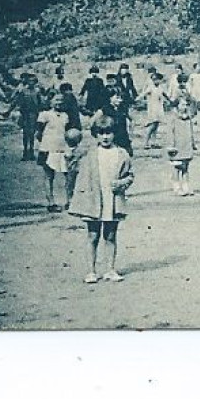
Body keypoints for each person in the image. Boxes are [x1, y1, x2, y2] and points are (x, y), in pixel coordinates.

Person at [67, 118, 134, 283]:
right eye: (101, 133)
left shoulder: (122, 153)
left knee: (110, 235)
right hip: (93, 200)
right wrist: (70, 153)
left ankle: (110, 269)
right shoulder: (89, 153)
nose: (105, 137)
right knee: (93, 235)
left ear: (114, 134)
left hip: (113, 199)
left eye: (108, 133)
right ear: (95, 135)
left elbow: (130, 175)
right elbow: (71, 164)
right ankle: (91, 271)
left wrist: (121, 183)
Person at [36, 92, 73, 211]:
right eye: (56, 100)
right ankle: (51, 203)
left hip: (63, 148)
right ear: (50, 101)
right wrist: (47, 144)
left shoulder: (65, 116)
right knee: (49, 176)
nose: (59, 102)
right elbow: (38, 133)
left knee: (68, 175)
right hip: (48, 149)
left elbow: (67, 132)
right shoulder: (44, 115)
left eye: (61, 100)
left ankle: (69, 200)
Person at [165, 97, 198, 197]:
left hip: (186, 145)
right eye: (182, 105)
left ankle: (186, 186)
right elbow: (170, 132)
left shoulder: (188, 118)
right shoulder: (173, 118)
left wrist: (193, 143)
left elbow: (191, 131)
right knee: (177, 167)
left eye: (186, 105)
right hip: (177, 147)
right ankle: (177, 186)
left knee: (186, 167)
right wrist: (171, 146)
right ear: (177, 106)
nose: (184, 107)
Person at [15, 75, 43, 161]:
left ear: (35, 82)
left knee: (31, 134)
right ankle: (25, 152)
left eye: (33, 81)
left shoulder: (37, 91)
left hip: (33, 114)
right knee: (25, 134)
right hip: (25, 114)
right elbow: (17, 102)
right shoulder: (23, 91)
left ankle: (31, 151)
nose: (31, 83)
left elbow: (40, 103)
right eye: (29, 81)